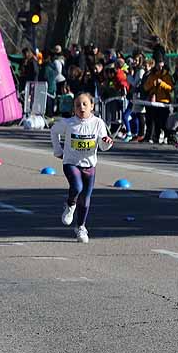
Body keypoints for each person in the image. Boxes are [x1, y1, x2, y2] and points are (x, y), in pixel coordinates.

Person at [50, 92, 113, 243]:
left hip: (90, 165)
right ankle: (70, 204)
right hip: (71, 163)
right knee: (77, 187)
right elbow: (54, 131)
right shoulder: (68, 123)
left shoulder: (98, 123)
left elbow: (103, 147)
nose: (81, 108)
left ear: (92, 106)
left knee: (85, 199)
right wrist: (58, 151)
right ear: (74, 108)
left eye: (85, 104)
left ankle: (81, 227)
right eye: (78, 105)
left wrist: (107, 142)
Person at [142, 61, 174, 145]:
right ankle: (155, 136)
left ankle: (168, 136)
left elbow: (170, 88)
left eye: (161, 68)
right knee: (155, 121)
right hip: (154, 102)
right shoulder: (153, 76)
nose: (160, 69)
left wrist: (162, 84)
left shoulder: (168, 77)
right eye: (158, 67)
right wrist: (153, 84)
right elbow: (146, 87)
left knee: (164, 122)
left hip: (164, 102)